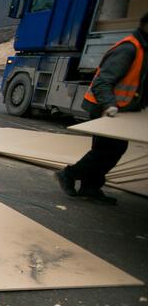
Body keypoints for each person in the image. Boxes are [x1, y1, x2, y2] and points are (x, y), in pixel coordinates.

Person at [56, 12, 148, 205]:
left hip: (121, 110)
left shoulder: (143, 49)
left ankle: (90, 187)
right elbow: (102, 82)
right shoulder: (129, 49)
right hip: (105, 108)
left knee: (108, 150)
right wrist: (110, 105)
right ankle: (69, 174)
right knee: (107, 151)